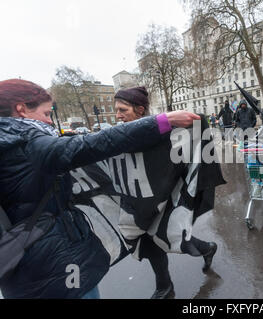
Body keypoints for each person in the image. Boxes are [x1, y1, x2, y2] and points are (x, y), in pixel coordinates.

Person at [0, 79, 199, 299]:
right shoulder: (25, 141)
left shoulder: (14, 141)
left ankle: (190, 260)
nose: (49, 122)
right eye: (47, 114)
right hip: (53, 264)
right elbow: (84, 147)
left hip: (34, 263)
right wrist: (160, 122)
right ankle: (169, 281)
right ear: (21, 109)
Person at [114, 86, 218, 299]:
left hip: (162, 198)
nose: (118, 115)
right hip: (137, 200)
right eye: (116, 110)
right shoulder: (120, 134)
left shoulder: (162, 131)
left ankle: (207, 248)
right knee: (150, 242)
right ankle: (165, 285)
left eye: (123, 110)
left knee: (167, 236)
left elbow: (195, 128)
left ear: (140, 109)